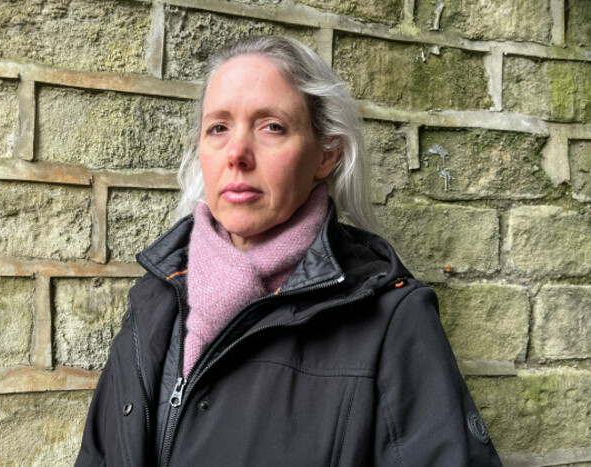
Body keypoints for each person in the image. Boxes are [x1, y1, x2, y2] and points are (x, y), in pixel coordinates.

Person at [76, 35, 501, 466]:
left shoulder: (392, 321)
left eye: (271, 126)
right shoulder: (155, 296)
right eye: (218, 127)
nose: (237, 153)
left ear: (326, 154)